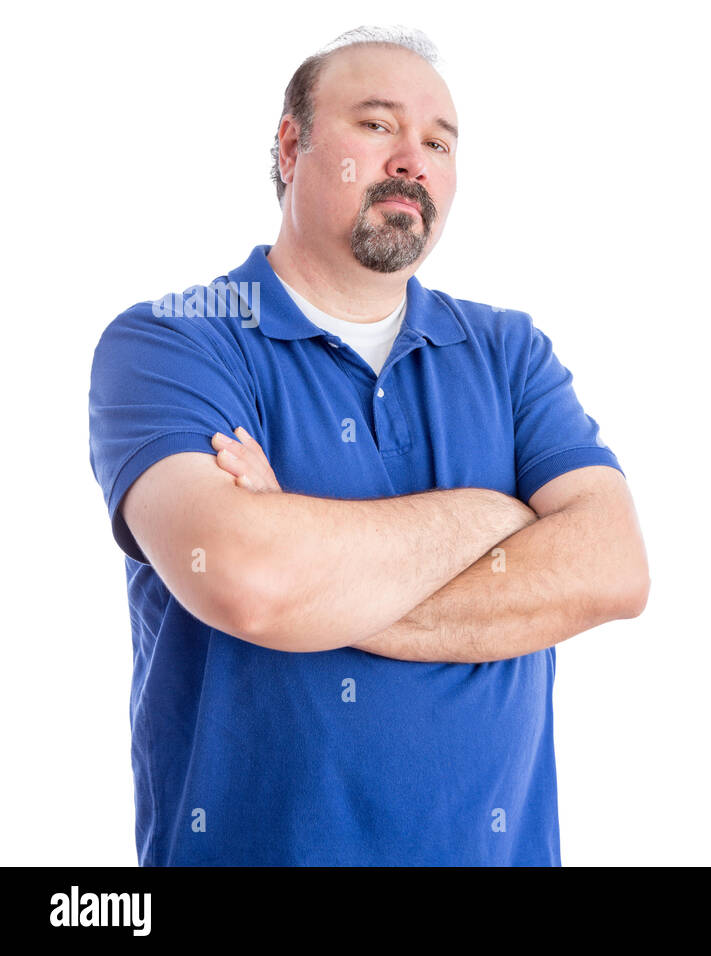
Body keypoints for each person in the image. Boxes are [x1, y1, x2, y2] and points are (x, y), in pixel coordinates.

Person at [86, 25, 649, 866]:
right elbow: (250, 580)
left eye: (438, 141)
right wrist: (494, 518)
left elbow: (614, 569)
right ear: (290, 145)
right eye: (378, 125)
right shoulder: (176, 342)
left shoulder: (507, 353)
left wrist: (323, 583)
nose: (412, 160)